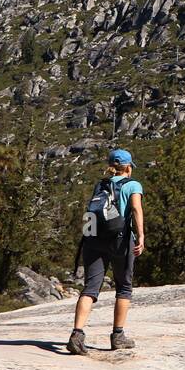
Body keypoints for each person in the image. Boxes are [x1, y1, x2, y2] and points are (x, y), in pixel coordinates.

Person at [68, 149, 144, 355]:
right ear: (128, 167)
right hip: (120, 241)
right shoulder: (132, 185)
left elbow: (90, 216)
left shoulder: (100, 185)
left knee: (90, 288)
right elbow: (136, 209)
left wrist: (88, 240)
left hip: (94, 240)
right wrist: (141, 236)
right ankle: (118, 336)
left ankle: (77, 334)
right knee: (124, 287)